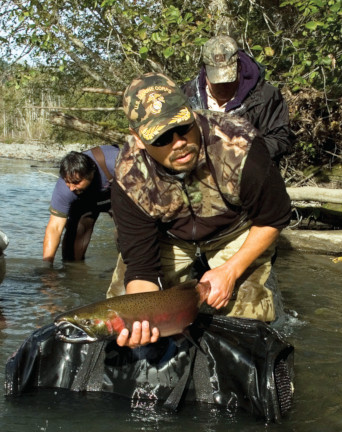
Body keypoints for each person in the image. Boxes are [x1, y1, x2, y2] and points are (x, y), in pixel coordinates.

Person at [109, 73, 292, 349]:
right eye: (161, 137)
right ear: (137, 138)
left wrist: (230, 271)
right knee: (121, 315)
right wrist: (141, 320)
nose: (178, 142)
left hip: (235, 230)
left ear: (191, 112)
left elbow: (274, 218)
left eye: (183, 127)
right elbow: (142, 270)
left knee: (248, 316)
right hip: (168, 235)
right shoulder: (129, 177)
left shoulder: (240, 145)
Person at [182, 35, 295, 164]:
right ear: (205, 71)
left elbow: (281, 139)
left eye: (228, 80)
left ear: (239, 67)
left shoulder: (266, 96)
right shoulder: (185, 96)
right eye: (217, 82)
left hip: (250, 175)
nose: (223, 87)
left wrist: (244, 151)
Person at [43, 145, 119, 263]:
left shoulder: (115, 161)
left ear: (91, 173)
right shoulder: (64, 189)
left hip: (119, 197)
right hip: (85, 202)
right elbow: (54, 228)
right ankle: (73, 276)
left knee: (127, 235)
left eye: (76, 182)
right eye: (68, 182)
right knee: (71, 252)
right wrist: (47, 267)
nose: (72, 188)